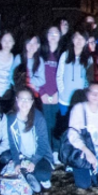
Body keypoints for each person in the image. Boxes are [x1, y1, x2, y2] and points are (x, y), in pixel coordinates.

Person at [67, 83, 98, 189]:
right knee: (83, 185)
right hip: (81, 152)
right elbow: (73, 134)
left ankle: (93, 171)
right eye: (92, 92)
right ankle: (76, 168)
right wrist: (87, 152)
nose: (95, 95)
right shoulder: (78, 109)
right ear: (87, 94)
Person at [7, 87, 54, 192]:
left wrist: (34, 162)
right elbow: (12, 143)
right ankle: (28, 174)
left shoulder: (39, 118)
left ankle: (32, 174)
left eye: (28, 99)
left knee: (43, 175)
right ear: (16, 100)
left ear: (32, 102)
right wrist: (17, 162)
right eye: (21, 99)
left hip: (40, 156)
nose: (24, 102)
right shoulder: (11, 118)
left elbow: (43, 143)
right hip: (23, 156)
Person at [38, 26, 62, 161]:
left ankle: (56, 152)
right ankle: (46, 153)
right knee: (46, 124)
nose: (53, 35)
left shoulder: (63, 54)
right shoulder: (41, 53)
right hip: (44, 96)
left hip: (58, 95)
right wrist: (42, 93)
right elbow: (35, 73)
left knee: (56, 124)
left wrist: (59, 93)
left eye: (56, 33)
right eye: (50, 33)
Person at [57, 30, 93, 115]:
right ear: (73, 39)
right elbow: (59, 75)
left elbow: (89, 78)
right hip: (65, 99)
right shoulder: (65, 55)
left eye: (82, 38)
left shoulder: (89, 58)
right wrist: (62, 91)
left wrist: (84, 94)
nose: (79, 40)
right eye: (77, 37)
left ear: (86, 41)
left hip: (80, 99)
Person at [0, 31, 19, 107]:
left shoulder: (15, 58)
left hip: (7, 94)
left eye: (9, 41)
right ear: (1, 41)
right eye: (4, 40)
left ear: (13, 42)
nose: (7, 43)